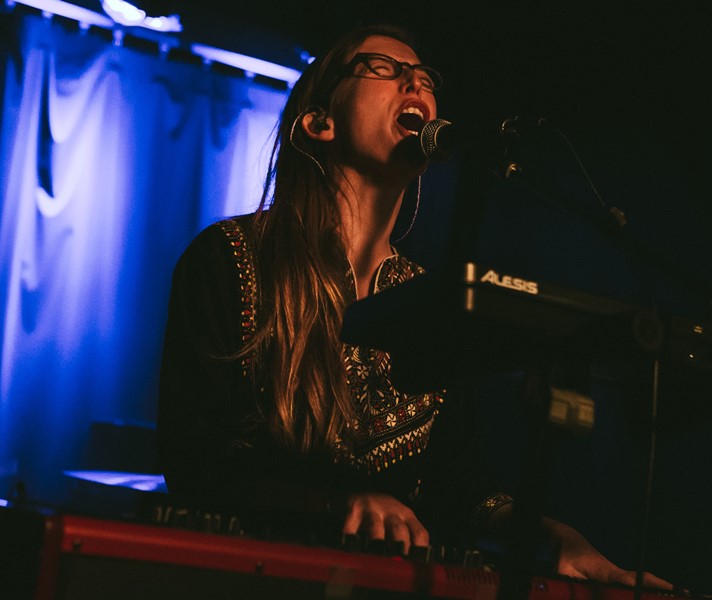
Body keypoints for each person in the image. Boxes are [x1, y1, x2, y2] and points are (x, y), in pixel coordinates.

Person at [156, 23, 670, 589]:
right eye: (383, 68)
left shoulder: (428, 300)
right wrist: (335, 504)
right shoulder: (232, 257)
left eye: (425, 77)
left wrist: (550, 535)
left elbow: (459, 484)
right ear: (320, 123)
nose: (415, 82)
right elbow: (196, 459)